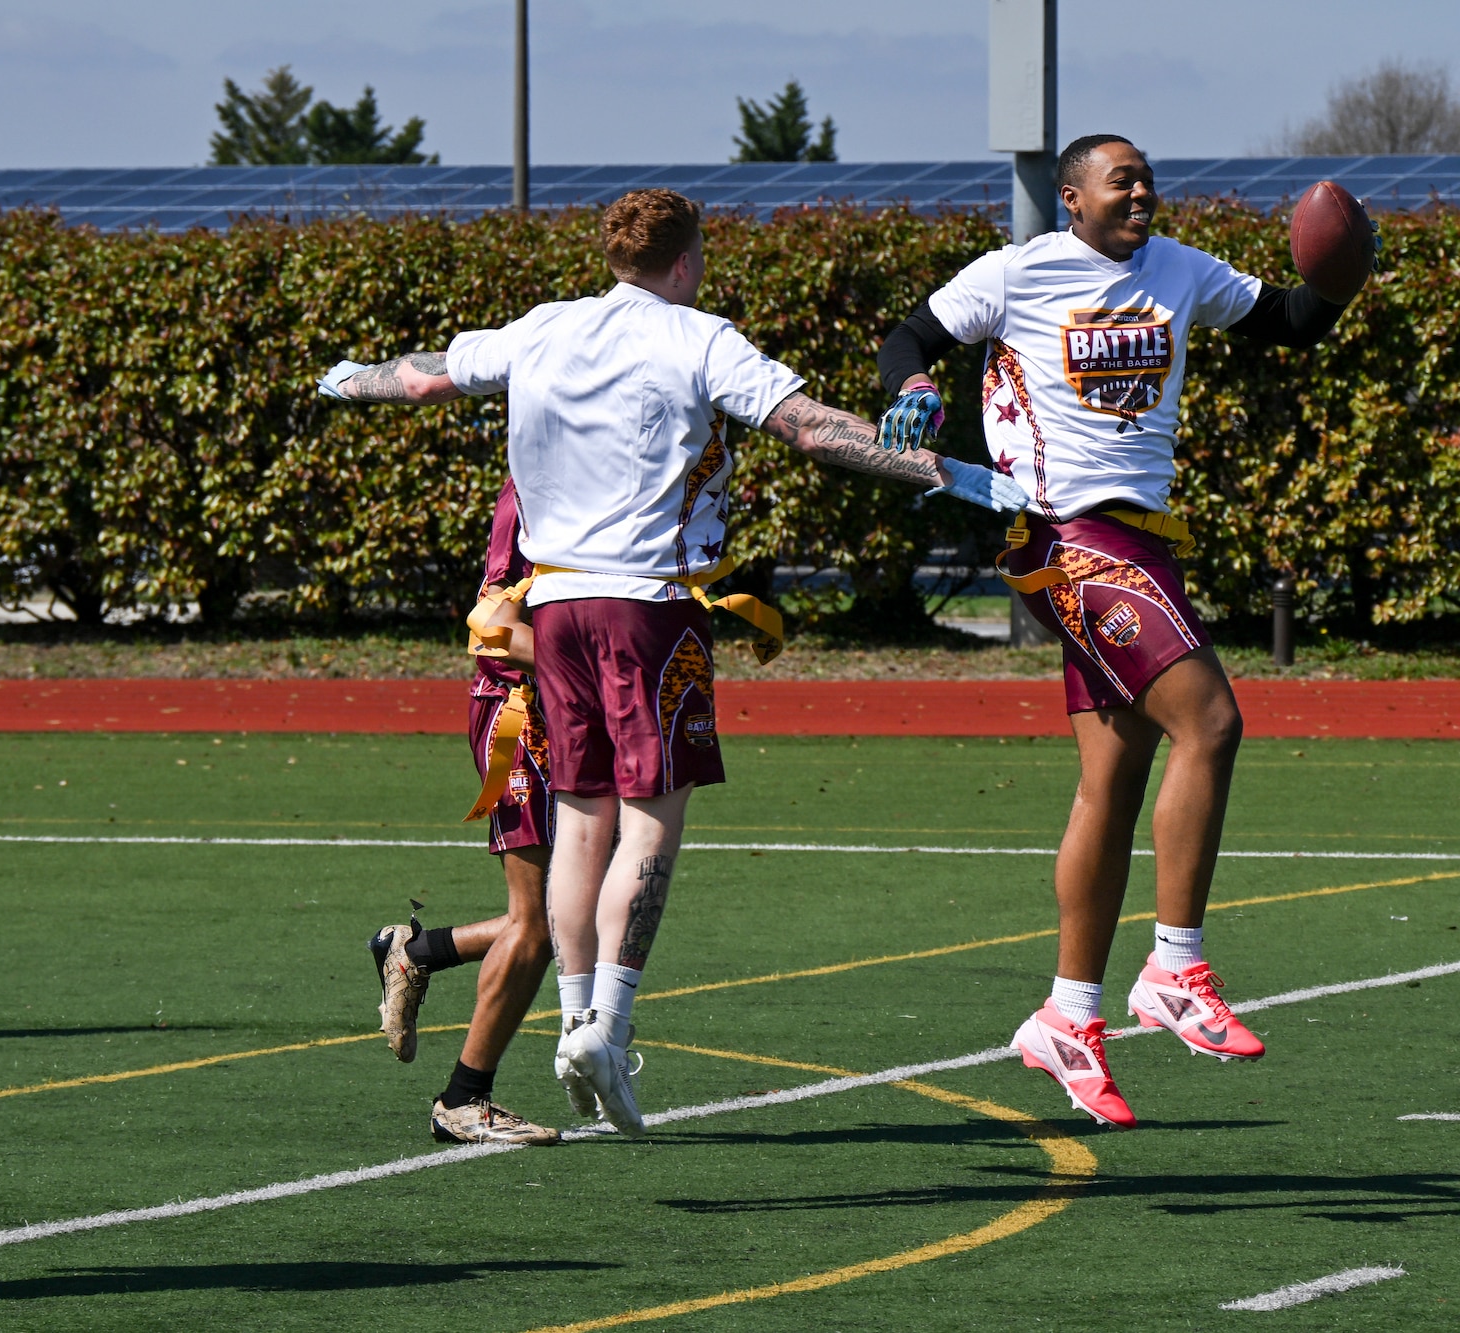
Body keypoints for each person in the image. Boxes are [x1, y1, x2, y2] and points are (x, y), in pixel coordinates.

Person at [323, 188, 1021, 1137]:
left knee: (580, 823)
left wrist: (349, 377)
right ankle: (607, 1022)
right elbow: (811, 429)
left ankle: (575, 1018)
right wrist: (956, 477)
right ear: (687, 260)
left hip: (556, 604)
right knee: (651, 824)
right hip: (651, 608)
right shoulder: (698, 337)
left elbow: (421, 378)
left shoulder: (542, 328)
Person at [874, 135, 1358, 1128]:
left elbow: (1291, 323)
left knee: (1112, 782)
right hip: (1061, 537)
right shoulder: (1017, 271)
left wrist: (1342, 268)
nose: (1139, 191)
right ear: (1070, 200)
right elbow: (907, 336)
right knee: (1211, 724)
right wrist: (912, 386)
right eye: (1118, 179)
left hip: (1143, 542)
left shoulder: (1179, 268)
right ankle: (1174, 967)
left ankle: (1066, 1013)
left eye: (1145, 177)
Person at [368, 476, 559, 1146]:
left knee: (558, 914)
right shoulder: (538, 485)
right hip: (522, 717)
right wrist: (598, 670)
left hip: (564, 714)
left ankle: (414, 951)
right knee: (539, 924)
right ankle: (463, 1099)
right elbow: (494, 631)